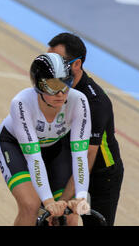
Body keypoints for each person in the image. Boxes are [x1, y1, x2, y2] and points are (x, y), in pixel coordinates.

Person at [0, 53, 91, 226]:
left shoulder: (79, 101)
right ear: (38, 85)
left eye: (66, 83)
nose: (61, 93)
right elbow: (33, 157)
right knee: (31, 206)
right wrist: (47, 202)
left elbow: (80, 155)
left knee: (69, 215)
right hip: (15, 146)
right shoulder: (21, 103)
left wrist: (81, 197)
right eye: (53, 85)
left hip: (53, 148)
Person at [47, 32, 124, 226]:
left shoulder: (95, 102)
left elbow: (88, 156)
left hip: (101, 174)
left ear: (76, 64)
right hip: (68, 164)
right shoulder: (52, 88)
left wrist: (62, 200)